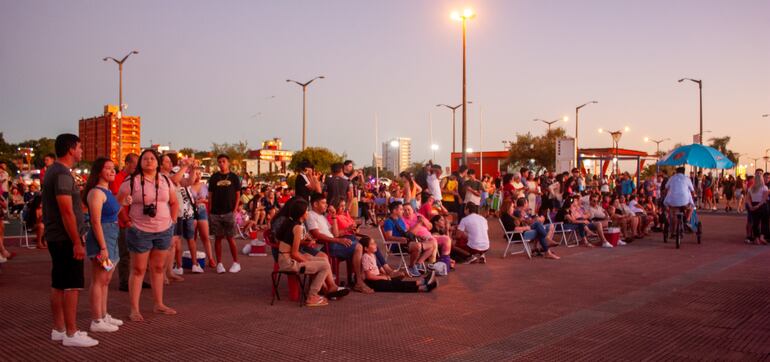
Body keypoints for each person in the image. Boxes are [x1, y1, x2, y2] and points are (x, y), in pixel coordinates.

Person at [43, 134, 98, 347]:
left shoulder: (53, 172)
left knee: (58, 284)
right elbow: (66, 211)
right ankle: (71, 333)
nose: (82, 151)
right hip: (65, 238)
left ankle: (59, 329)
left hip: (56, 236)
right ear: (70, 149)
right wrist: (77, 241)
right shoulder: (62, 174)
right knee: (71, 286)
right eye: (80, 147)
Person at [117, 149, 178, 321]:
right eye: (145, 158)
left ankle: (159, 304)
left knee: (158, 268)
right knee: (138, 270)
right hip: (139, 230)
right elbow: (117, 203)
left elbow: (173, 202)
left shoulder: (165, 180)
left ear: (158, 163)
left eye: (152, 158)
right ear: (140, 162)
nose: (149, 161)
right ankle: (134, 309)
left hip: (163, 229)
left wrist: (172, 221)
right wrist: (127, 222)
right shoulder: (131, 181)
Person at [82, 158, 123, 333]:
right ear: (99, 171)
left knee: (106, 279)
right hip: (103, 239)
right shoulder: (96, 193)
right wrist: (103, 247)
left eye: (113, 168)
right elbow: (96, 222)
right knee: (99, 280)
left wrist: (123, 202)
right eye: (108, 168)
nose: (112, 171)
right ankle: (96, 320)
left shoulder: (107, 191)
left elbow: (113, 213)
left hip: (111, 236)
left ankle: (104, 314)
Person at [275, 199, 339, 307]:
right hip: (289, 263)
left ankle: (329, 288)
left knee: (323, 259)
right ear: (301, 214)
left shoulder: (289, 222)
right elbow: (295, 254)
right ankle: (312, 296)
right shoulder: (297, 227)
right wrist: (307, 260)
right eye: (306, 211)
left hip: (284, 259)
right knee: (324, 265)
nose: (308, 213)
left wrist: (307, 257)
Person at [305, 193, 369, 293]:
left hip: (332, 243)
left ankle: (359, 280)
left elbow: (335, 233)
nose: (326, 205)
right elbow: (316, 234)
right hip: (326, 245)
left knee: (363, 246)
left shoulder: (322, 217)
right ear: (315, 204)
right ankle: (359, 282)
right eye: (323, 203)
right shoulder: (311, 215)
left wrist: (334, 217)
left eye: (326, 203)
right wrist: (338, 240)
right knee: (359, 247)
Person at [109, 153, 142, 292]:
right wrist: (126, 220)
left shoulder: (136, 179)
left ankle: (136, 279)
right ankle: (124, 281)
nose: (137, 166)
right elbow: (119, 203)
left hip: (134, 221)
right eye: (135, 163)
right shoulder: (118, 179)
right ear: (127, 163)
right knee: (124, 254)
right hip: (123, 222)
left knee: (136, 253)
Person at [360, 237, 437, 293]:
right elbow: (369, 276)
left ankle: (422, 283)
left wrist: (383, 275)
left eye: (375, 243)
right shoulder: (366, 257)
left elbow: (375, 270)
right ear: (366, 248)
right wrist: (384, 277)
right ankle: (422, 286)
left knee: (395, 282)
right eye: (372, 244)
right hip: (372, 282)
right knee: (396, 285)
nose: (375, 245)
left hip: (377, 278)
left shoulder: (372, 255)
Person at [208, 154, 242, 274]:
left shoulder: (234, 177)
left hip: (229, 212)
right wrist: (210, 210)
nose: (221, 164)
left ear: (228, 163)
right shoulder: (213, 177)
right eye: (220, 162)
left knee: (230, 238)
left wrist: (235, 210)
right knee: (217, 238)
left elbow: (238, 195)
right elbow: (210, 195)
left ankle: (236, 262)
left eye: (223, 161)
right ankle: (220, 264)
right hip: (216, 213)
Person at [383, 201, 434, 277]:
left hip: (405, 243)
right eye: (401, 209)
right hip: (397, 245)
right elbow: (388, 237)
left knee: (431, 245)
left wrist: (416, 237)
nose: (402, 211)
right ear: (394, 211)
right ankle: (411, 266)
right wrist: (400, 239)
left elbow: (406, 232)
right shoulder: (388, 222)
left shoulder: (400, 220)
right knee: (417, 246)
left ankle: (418, 264)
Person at [191, 167, 216, 268]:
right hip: (191, 211)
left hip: (201, 210)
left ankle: (210, 258)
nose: (198, 176)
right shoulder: (188, 186)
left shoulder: (204, 186)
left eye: (199, 174)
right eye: (196, 173)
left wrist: (202, 201)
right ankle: (194, 260)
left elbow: (209, 199)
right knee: (193, 238)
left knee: (205, 236)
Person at [663, 167, 696, 238]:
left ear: (677, 172)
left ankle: (673, 232)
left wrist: (665, 194)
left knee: (673, 216)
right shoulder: (687, 179)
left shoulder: (671, 178)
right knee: (691, 207)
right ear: (684, 172)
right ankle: (687, 220)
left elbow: (666, 189)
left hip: (673, 202)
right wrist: (693, 197)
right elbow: (693, 191)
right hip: (685, 202)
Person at [746, 169, 768, 245]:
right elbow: (764, 199)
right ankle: (761, 237)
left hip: (754, 205)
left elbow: (748, 199)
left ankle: (757, 238)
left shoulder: (751, 188)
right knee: (764, 222)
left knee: (755, 223)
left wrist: (751, 206)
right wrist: (757, 206)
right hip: (762, 206)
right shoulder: (764, 187)